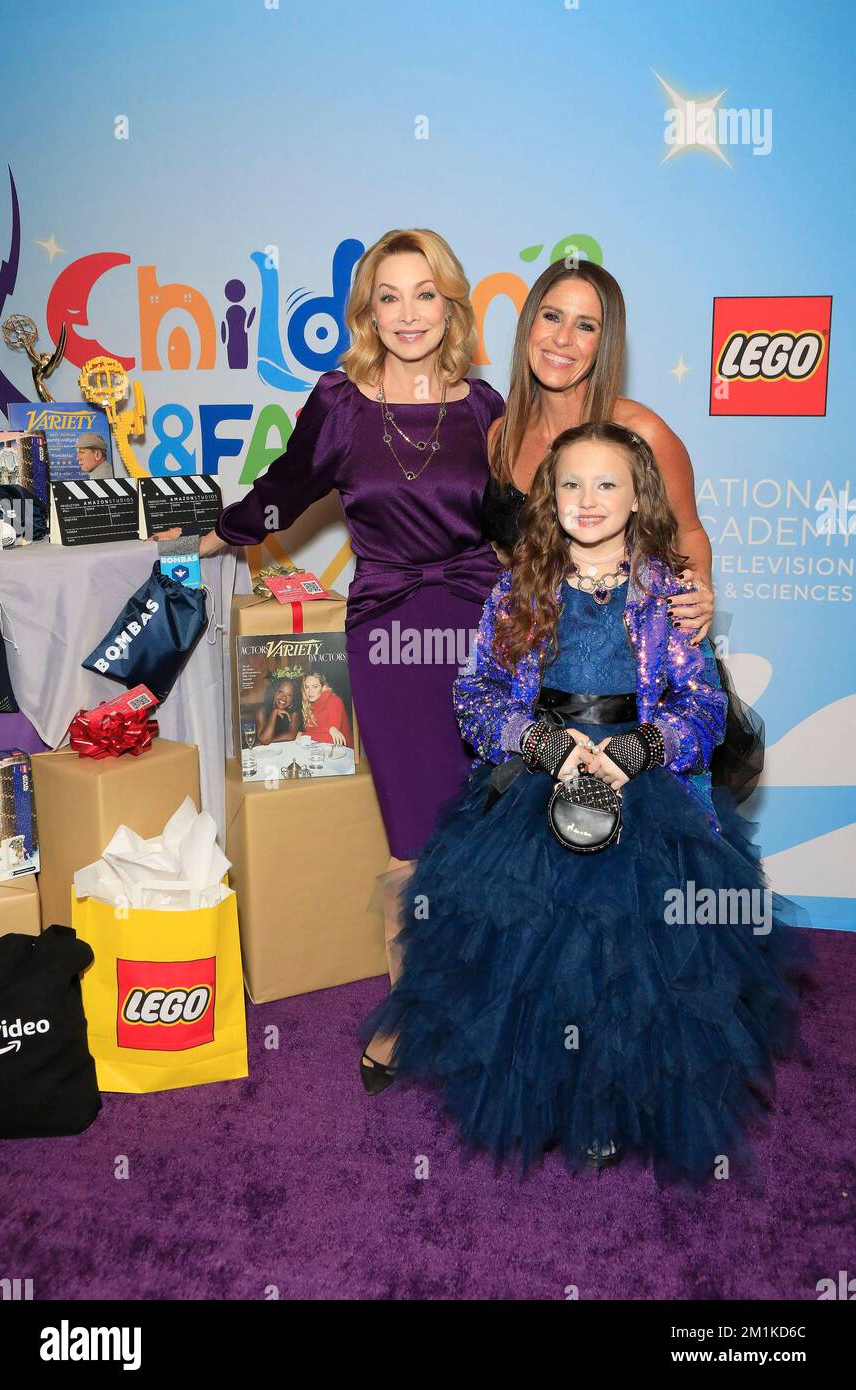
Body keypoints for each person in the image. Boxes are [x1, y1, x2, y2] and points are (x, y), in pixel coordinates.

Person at [357, 421, 816, 1188]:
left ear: (639, 497)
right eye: (571, 484)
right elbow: (474, 696)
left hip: (641, 787)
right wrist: (543, 744)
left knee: (627, 957)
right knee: (527, 952)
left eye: (608, 484)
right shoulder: (519, 589)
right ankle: (539, 1095)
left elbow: (702, 702)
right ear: (549, 497)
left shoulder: (668, 594)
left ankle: (602, 1104)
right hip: (540, 779)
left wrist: (640, 750)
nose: (588, 499)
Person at [197, 229, 505, 1071]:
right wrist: (219, 534)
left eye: (425, 293)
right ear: (367, 310)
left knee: (484, 825)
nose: (408, 314)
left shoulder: (485, 409)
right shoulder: (341, 402)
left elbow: (523, 529)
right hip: (391, 634)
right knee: (411, 839)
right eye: (388, 297)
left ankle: (487, 1002)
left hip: (481, 631)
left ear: (452, 304)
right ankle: (414, 1014)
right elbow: (287, 488)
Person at [482, 259, 763, 803]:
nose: (563, 338)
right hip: (538, 671)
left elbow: (688, 530)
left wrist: (696, 594)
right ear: (527, 327)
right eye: (551, 316)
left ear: (604, 343)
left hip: (629, 671)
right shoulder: (500, 434)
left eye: (586, 325)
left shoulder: (642, 432)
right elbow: (508, 545)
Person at [300, 671, 352, 746]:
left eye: (315, 687)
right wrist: (328, 729)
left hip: (345, 750)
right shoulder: (309, 705)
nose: (310, 691)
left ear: (323, 687)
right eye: (307, 687)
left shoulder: (334, 701)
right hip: (321, 747)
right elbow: (311, 731)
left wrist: (303, 735)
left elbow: (332, 739)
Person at [255, 678, 301, 745]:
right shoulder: (262, 712)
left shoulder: (294, 712)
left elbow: (291, 736)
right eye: (281, 692)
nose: (284, 697)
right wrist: (274, 712)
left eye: (289, 695)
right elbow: (265, 739)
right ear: (274, 692)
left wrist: (267, 741)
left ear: (293, 699)